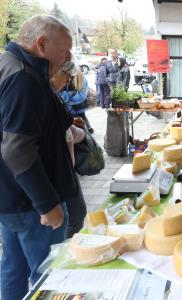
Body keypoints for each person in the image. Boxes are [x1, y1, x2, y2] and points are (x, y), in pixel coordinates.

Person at [0, 15, 77, 299]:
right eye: (65, 50)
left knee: (13, 269)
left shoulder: (9, 65)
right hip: (32, 203)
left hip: (11, 198)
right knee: (47, 274)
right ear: (42, 43)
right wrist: (47, 204)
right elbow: (17, 149)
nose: (67, 57)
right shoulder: (23, 78)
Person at [50, 61, 87, 238]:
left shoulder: (51, 96)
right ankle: (66, 251)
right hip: (56, 177)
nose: (67, 82)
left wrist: (73, 127)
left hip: (62, 172)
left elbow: (67, 132)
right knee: (74, 218)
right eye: (66, 77)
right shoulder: (44, 98)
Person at [59, 68, 94, 133]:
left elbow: (82, 95)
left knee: (81, 124)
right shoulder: (60, 74)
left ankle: (88, 131)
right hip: (66, 110)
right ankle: (88, 130)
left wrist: (67, 99)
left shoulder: (81, 77)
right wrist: (70, 95)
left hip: (77, 108)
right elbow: (58, 94)